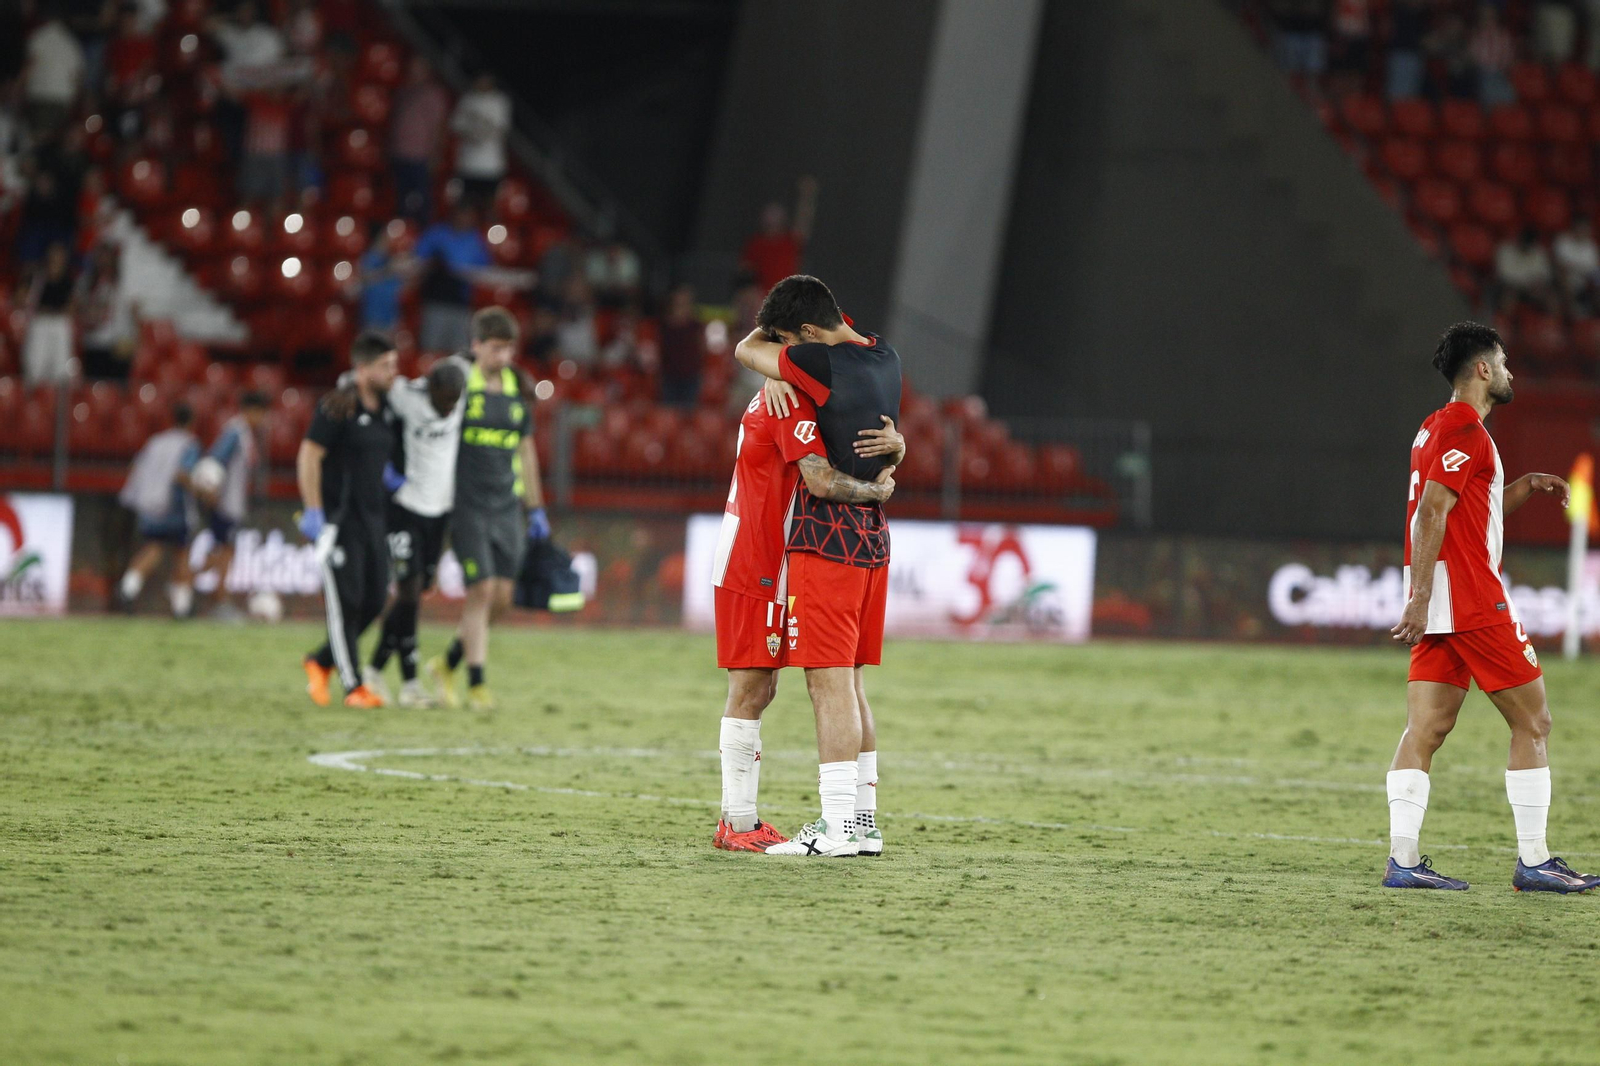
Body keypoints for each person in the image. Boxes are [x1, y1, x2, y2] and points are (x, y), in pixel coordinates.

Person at [1384, 322, 1597, 893]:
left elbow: (1462, 510)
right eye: (1502, 362)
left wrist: (1521, 486)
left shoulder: (1433, 428)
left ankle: (1401, 862)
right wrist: (1422, 595)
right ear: (1482, 369)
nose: (1509, 372)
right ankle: (1535, 860)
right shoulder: (1465, 430)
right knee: (1534, 719)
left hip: (1443, 599)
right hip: (1472, 599)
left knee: (1425, 728)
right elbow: (1432, 511)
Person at [733, 275, 902, 858]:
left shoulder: (815, 364)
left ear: (805, 335)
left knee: (826, 685)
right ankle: (862, 823)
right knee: (852, 685)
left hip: (828, 538)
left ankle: (834, 829)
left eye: (790, 341)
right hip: (874, 543)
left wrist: (772, 357)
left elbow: (746, 349)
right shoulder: (886, 355)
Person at [427, 307, 546, 710]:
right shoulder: (459, 385)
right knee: (481, 590)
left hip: (506, 506)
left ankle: (446, 664)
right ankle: (477, 684)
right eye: (495, 348)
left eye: (509, 349)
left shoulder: (517, 389)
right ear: (476, 346)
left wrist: (536, 507)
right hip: (466, 505)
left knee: (503, 598)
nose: (503, 357)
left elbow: (526, 452)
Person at [298, 332, 400, 709]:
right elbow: (309, 455)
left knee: (375, 600)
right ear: (362, 368)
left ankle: (320, 660)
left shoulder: (387, 409)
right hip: (339, 520)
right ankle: (353, 686)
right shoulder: (338, 406)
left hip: (374, 519)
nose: (394, 372)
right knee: (348, 602)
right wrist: (314, 510)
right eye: (386, 366)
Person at [365, 360, 466, 707]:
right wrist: (348, 387)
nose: (449, 408)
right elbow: (366, 378)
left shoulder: (459, 395)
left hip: (440, 512)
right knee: (407, 592)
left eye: (455, 402)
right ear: (431, 389)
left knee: (417, 593)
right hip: (405, 509)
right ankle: (409, 684)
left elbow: (478, 353)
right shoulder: (407, 395)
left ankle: (376, 670)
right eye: (444, 401)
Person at [117, 401, 201, 617]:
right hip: (175, 506)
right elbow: (182, 474)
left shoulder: (155, 442)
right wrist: (199, 488)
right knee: (182, 555)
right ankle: (181, 608)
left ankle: (128, 588)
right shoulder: (190, 444)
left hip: (150, 506)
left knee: (153, 548)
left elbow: (136, 468)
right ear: (191, 423)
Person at [195, 391, 270, 617]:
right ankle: (217, 600)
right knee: (226, 551)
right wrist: (212, 490)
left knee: (223, 550)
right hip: (225, 503)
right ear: (252, 410)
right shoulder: (235, 432)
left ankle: (188, 584)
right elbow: (215, 461)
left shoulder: (244, 433)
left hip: (232, 503)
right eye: (262, 413)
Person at [415, 202, 491, 353]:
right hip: (436, 301)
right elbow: (418, 260)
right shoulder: (437, 234)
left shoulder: (475, 240)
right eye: (463, 215)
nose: (466, 219)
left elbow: (484, 270)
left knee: (459, 351)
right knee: (431, 349)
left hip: (461, 304)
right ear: (455, 215)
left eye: (470, 216)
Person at [389, 56, 449, 222]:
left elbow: (438, 127)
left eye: (418, 67)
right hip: (400, 153)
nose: (414, 70)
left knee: (421, 200)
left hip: (420, 156)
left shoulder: (434, 93)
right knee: (401, 200)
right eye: (412, 66)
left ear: (427, 70)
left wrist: (435, 155)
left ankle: (422, 236)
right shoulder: (403, 91)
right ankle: (402, 236)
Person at [739, 176, 817, 293]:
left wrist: (807, 196)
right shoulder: (756, 243)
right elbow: (744, 271)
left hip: (786, 294)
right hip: (762, 297)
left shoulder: (790, 240)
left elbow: (804, 220)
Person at [450, 73, 510, 210]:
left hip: (491, 166)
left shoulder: (500, 101)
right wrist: (471, 135)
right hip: (468, 165)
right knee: (466, 205)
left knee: (490, 204)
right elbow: (456, 125)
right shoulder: (467, 100)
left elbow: (501, 129)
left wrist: (481, 134)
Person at [23, 9, 85, 138]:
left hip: (42, 96)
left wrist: (19, 88)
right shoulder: (71, 42)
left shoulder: (38, 37)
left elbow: (30, 66)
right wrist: (75, 101)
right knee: (55, 139)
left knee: (39, 138)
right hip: (63, 99)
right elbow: (77, 76)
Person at [21, 242, 76, 386]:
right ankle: (32, 403)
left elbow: (71, 308)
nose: (57, 259)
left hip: (59, 326)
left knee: (59, 372)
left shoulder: (68, 281)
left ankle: (57, 404)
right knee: (34, 369)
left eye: (60, 256)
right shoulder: (37, 277)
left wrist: (50, 311)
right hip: (39, 325)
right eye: (54, 255)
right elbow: (22, 299)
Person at [657, 283, 703, 409]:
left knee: (688, 414)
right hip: (669, 376)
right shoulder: (665, 324)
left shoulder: (695, 325)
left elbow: (701, 348)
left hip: (690, 376)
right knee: (669, 414)